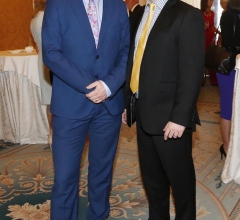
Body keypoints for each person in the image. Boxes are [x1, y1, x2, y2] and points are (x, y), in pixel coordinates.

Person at [41, 0, 130, 219]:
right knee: (65, 178)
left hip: (109, 105)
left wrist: (108, 86)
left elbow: (127, 51)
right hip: (70, 105)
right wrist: (91, 86)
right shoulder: (58, 3)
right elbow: (51, 52)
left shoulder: (118, 5)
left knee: (102, 175)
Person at [122, 0, 205, 218]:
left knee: (181, 185)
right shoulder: (139, 14)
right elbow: (133, 61)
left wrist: (180, 117)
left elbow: (192, 71)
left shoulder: (187, 15)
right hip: (142, 113)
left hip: (171, 118)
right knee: (153, 184)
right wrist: (127, 103)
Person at [216, 0, 240, 158]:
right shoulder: (228, 15)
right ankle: (226, 146)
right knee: (227, 107)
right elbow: (230, 41)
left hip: (237, 65)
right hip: (229, 67)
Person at [30, 0, 53, 148]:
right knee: (54, 100)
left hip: (42, 60)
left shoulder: (34, 18)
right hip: (51, 62)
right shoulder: (47, 17)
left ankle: (51, 134)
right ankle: (54, 134)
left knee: (49, 100)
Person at [201, 0, 218, 86]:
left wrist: (219, 33)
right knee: (202, 57)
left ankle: (213, 79)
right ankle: (201, 80)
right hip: (203, 37)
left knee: (212, 57)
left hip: (211, 37)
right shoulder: (200, 13)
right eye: (209, 0)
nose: (211, 2)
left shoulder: (212, 13)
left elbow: (212, 26)